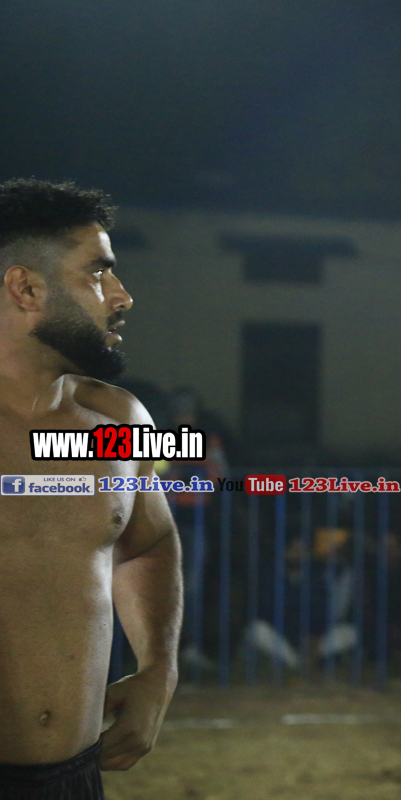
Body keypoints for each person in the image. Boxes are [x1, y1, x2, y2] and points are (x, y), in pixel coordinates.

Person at [0, 180, 182, 795]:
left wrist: (158, 670)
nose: (122, 296)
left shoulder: (119, 420)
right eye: (99, 273)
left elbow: (147, 542)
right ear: (26, 288)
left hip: (74, 777)